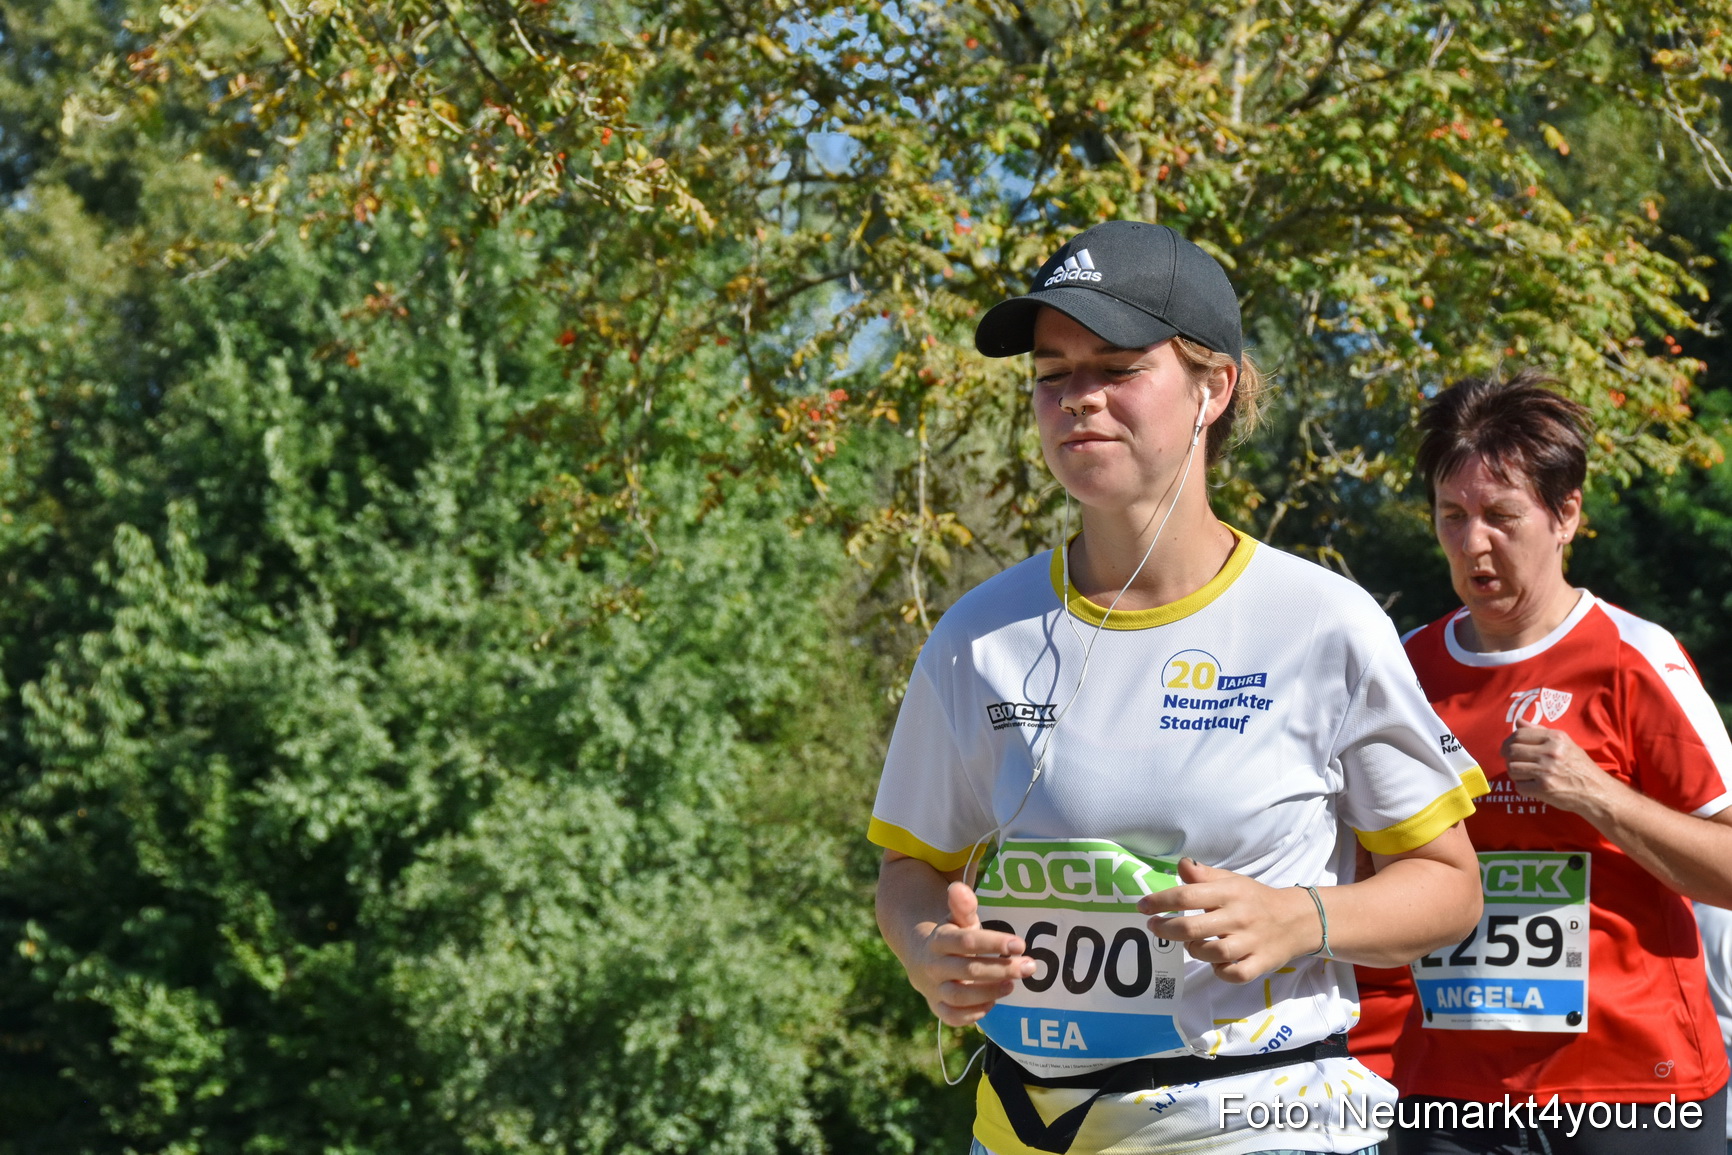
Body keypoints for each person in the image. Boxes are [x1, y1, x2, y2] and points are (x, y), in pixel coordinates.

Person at [868, 220, 1486, 1155]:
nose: (1078, 398)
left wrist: (1301, 918)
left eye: (1117, 367)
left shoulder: (1322, 620)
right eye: (1051, 375)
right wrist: (929, 953)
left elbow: (1449, 891)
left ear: (1213, 387)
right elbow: (911, 871)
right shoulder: (975, 634)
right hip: (1027, 1129)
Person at [1389, 371, 1732, 1154]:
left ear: (1566, 513)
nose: (1474, 543)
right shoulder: (1402, 672)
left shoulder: (1634, 659)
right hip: (1449, 1090)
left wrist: (1600, 795)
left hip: (1631, 1084)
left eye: (1501, 516)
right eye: (1453, 516)